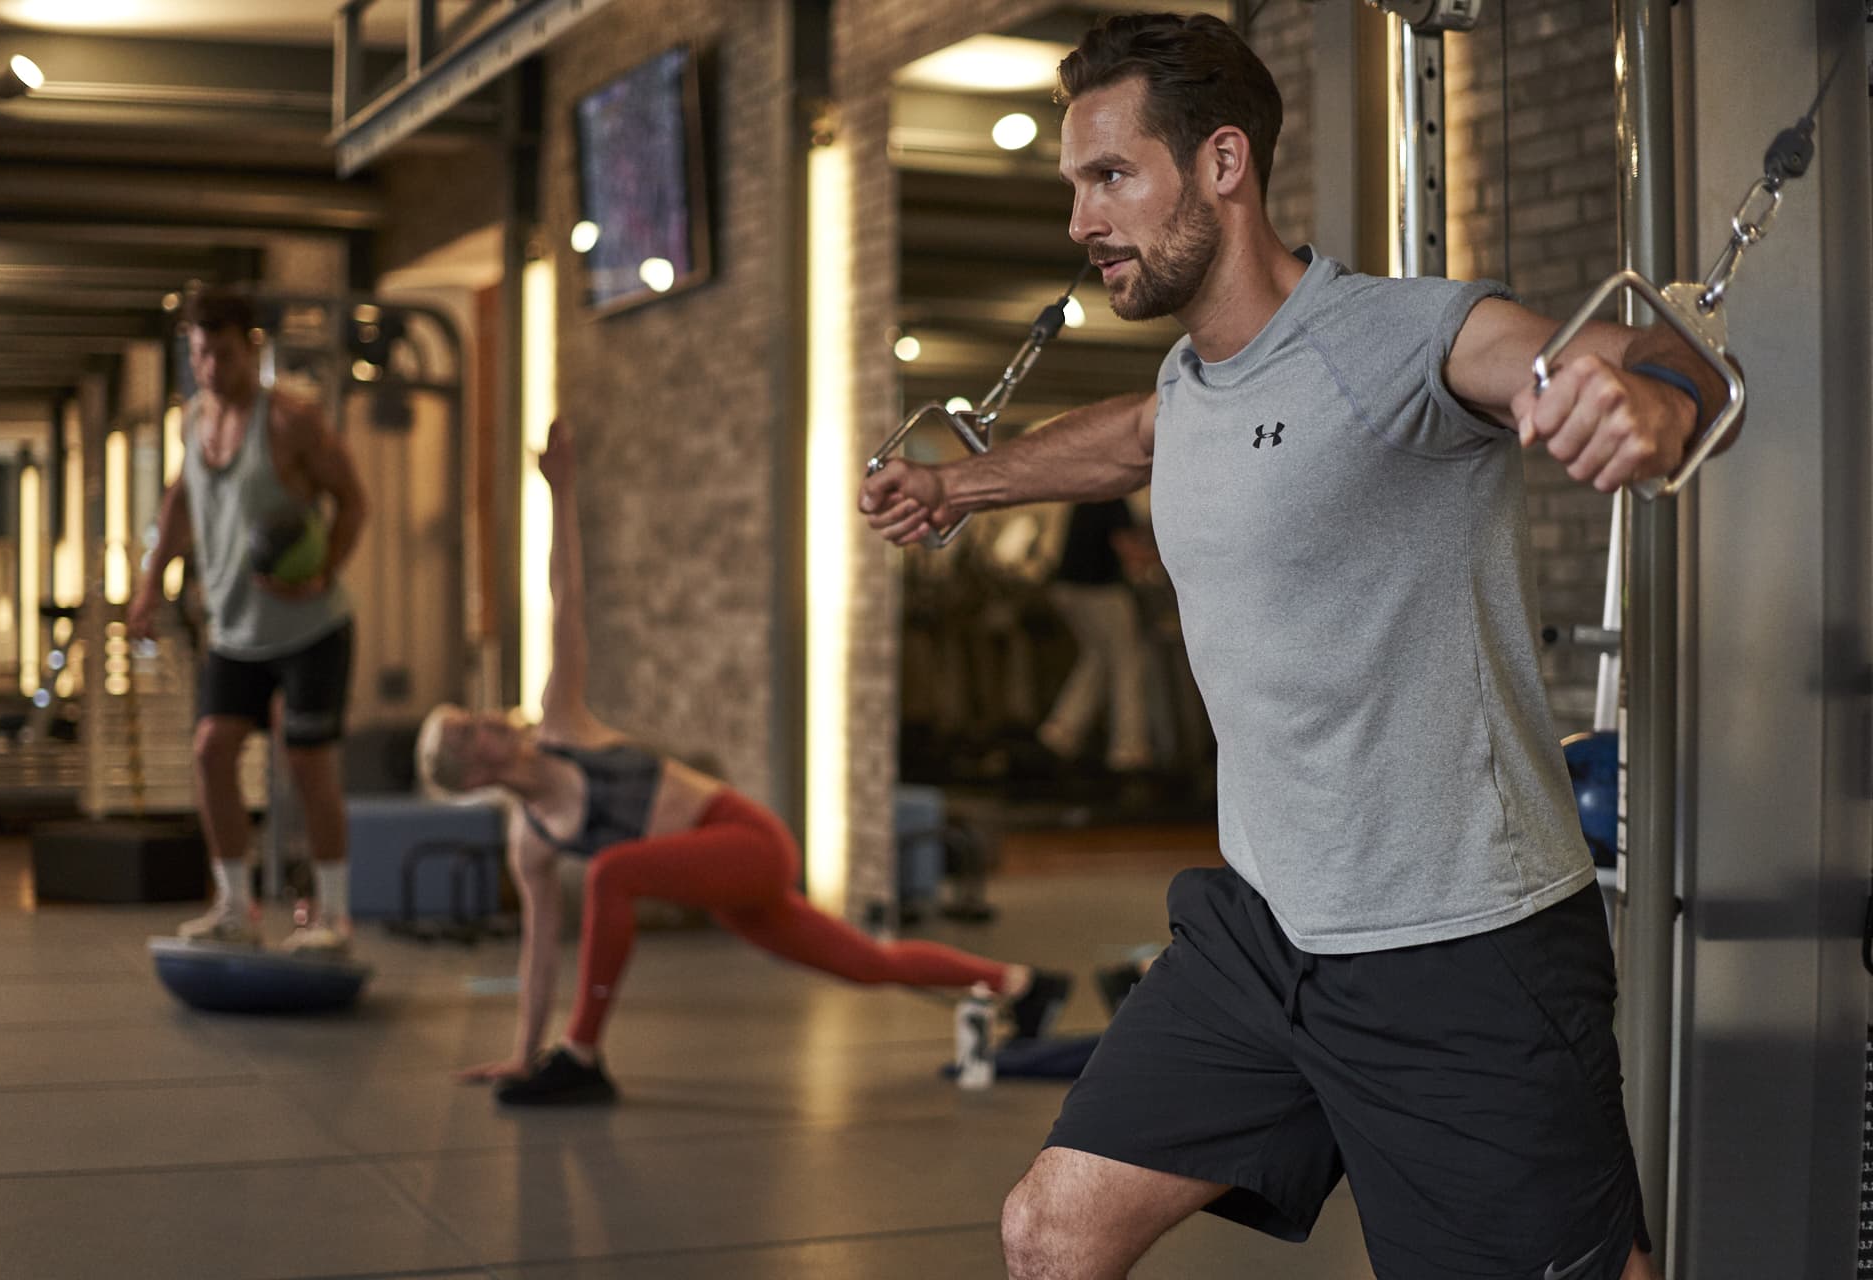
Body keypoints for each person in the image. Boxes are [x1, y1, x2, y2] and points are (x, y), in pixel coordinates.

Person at [859, 14, 1739, 1280]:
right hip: (1265, 929)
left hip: (1462, 948)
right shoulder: (1194, 382)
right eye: (1073, 186)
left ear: (1224, 164)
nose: (1079, 221)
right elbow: (1139, 436)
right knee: (1051, 1227)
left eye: (1111, 177)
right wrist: (965, 487)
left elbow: (1639, 358)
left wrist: (1649, 401)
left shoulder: (1405, 333)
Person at [420, 418, 1071, 1106]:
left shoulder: (563, 724)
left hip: (743, 840)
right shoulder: (531, 839)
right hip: (714, 885)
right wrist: (521, 1057)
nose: (490, 719)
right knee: (864, 963)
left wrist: (562, 491)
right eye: (472, 733)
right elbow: (537, 953)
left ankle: (582, 1054)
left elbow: (566, 603)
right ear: (471, 776)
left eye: (477, 715)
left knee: (612, 870)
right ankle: (1024, 985)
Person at [130, 288, 366, 953]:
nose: (211, 369)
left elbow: (353, 500)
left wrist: (325, 571)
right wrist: (150, 584)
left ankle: (333, 917)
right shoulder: (194, 421)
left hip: (311, 629)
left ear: (252, 350)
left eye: (224, 354)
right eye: (201, 355)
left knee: (308, 765)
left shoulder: (293, 422)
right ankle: (235, 907)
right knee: (211, 752)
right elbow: (181, 499)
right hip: (235, 632)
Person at [1037, 498, 1153, 773]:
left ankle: (1061, 731)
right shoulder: (1113, 495)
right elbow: (1128, 548)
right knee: (1128, 662)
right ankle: (1129, 750)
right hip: (1099, 589)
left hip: (1067, 587)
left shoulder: (1087, 492)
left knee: (1097, 657)